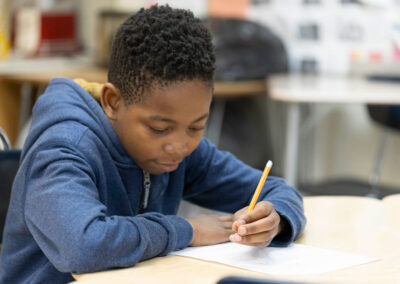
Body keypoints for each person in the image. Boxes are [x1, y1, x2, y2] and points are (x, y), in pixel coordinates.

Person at [0, 5, 306, 283]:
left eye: (197, 126)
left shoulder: (181, 149)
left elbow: (276, 189)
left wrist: (274, 218)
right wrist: (186, 230)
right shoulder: (64, 148)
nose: (180, 146)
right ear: (112, 102)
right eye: (160, 128)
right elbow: (82, 246)